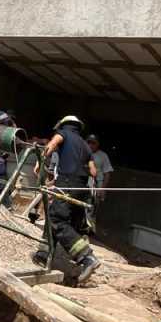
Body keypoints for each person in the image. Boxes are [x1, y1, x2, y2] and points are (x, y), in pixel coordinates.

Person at [33, 116, 101, 283]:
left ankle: (87, 258)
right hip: (81, 188)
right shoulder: (86, 146)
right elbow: (94, 172)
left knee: (56, 219)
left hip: (67, 183)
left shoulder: (63, 133)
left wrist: (40, 161)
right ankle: (43, 254)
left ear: (63, 125)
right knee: (56, 216)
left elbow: (51, 145)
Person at [86, 134, 113, 229]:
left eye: (93, 143)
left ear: (98, 144)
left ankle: (89, 230)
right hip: (83, 182)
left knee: (93, 207)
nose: (90, 145)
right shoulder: (83, 152)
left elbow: (107, 173)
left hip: (97, 184)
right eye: (88, 142)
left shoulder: (103, 156)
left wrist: (103, 189)